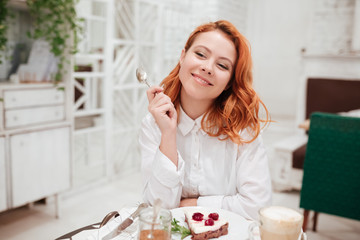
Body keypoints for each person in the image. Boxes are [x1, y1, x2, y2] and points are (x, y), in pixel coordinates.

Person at [139, 20, 271, 220]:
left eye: (222, 65)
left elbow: (257, 208)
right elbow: (157, 210)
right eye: (200, 54)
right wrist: (168, 134)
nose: (208, 68)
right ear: (183, 57)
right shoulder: (153, 124)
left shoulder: (243, 130)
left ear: (229, 82)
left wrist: (194, 204)